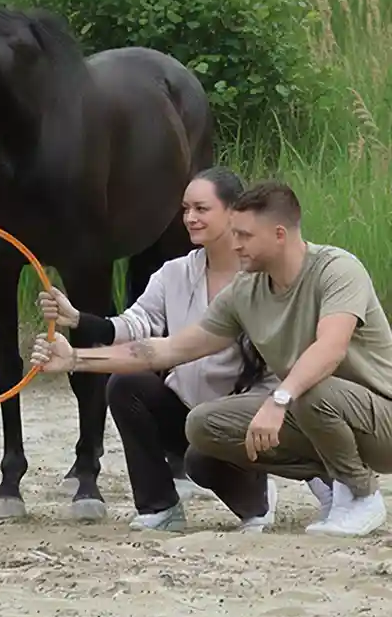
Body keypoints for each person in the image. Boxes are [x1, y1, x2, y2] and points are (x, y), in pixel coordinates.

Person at [32, 180, 392, 538]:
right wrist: (76, 358)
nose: (235, 245)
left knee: (309, 389)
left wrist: (279, 400)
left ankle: (360, 495)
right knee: (203, 427)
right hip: (310, 412)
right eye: (234, 234)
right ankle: (329, 480)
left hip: (379, 421)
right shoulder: (245, 290)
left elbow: (331, 348)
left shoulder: (337, 269)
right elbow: (169, 348)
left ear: (279, 234)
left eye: (245, 236)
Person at [39, 167, 275, 533]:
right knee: (126, 385)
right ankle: (160, 507)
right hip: (188, 416)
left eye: (201, 209)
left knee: (202, 458)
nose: (190, 218)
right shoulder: (173, 273)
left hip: (246, 422)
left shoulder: (264, 281)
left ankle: (259, 501)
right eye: (185, 209)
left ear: (234, 213)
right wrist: (78, 320)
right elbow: (136, 324)